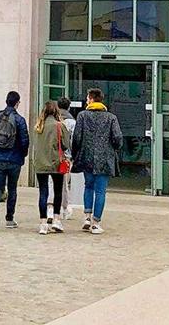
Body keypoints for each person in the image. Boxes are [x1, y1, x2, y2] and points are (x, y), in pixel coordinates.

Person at [71, 87, 122, 234]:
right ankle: (96, 222)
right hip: (105, 158)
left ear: (92, 99)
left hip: (87, 157)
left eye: (87, 98)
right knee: (100, 191)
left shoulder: (82, 116)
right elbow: (118, 138)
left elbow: (77, 138)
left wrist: (76, 154)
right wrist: (114, 149)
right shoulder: (111, 117)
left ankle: (87, 216)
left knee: (88, 186)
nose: (86, 100)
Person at [0, 90, 29, 230]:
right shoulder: (20, 120)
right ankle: (9, 218)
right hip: (14, 159)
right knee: (12, 188)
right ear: (17, 103)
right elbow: (24, 140)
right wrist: (23, 154)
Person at [28, 100, 68, 235]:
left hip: (40, 163)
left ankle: (43, 223)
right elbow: (66, 144)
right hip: (56, 162)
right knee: (57, 192)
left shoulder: (38, 126)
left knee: (43, 192)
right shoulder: (59, 126)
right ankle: (56, 219)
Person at [57, 96, 76, 218]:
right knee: (65, 183)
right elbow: (74, 140)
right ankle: (65, 207)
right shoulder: (72, 122)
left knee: (52, 182)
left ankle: (53, 207)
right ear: (69, 107)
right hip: (66, 156)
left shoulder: (53, 120)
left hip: (53, 156)